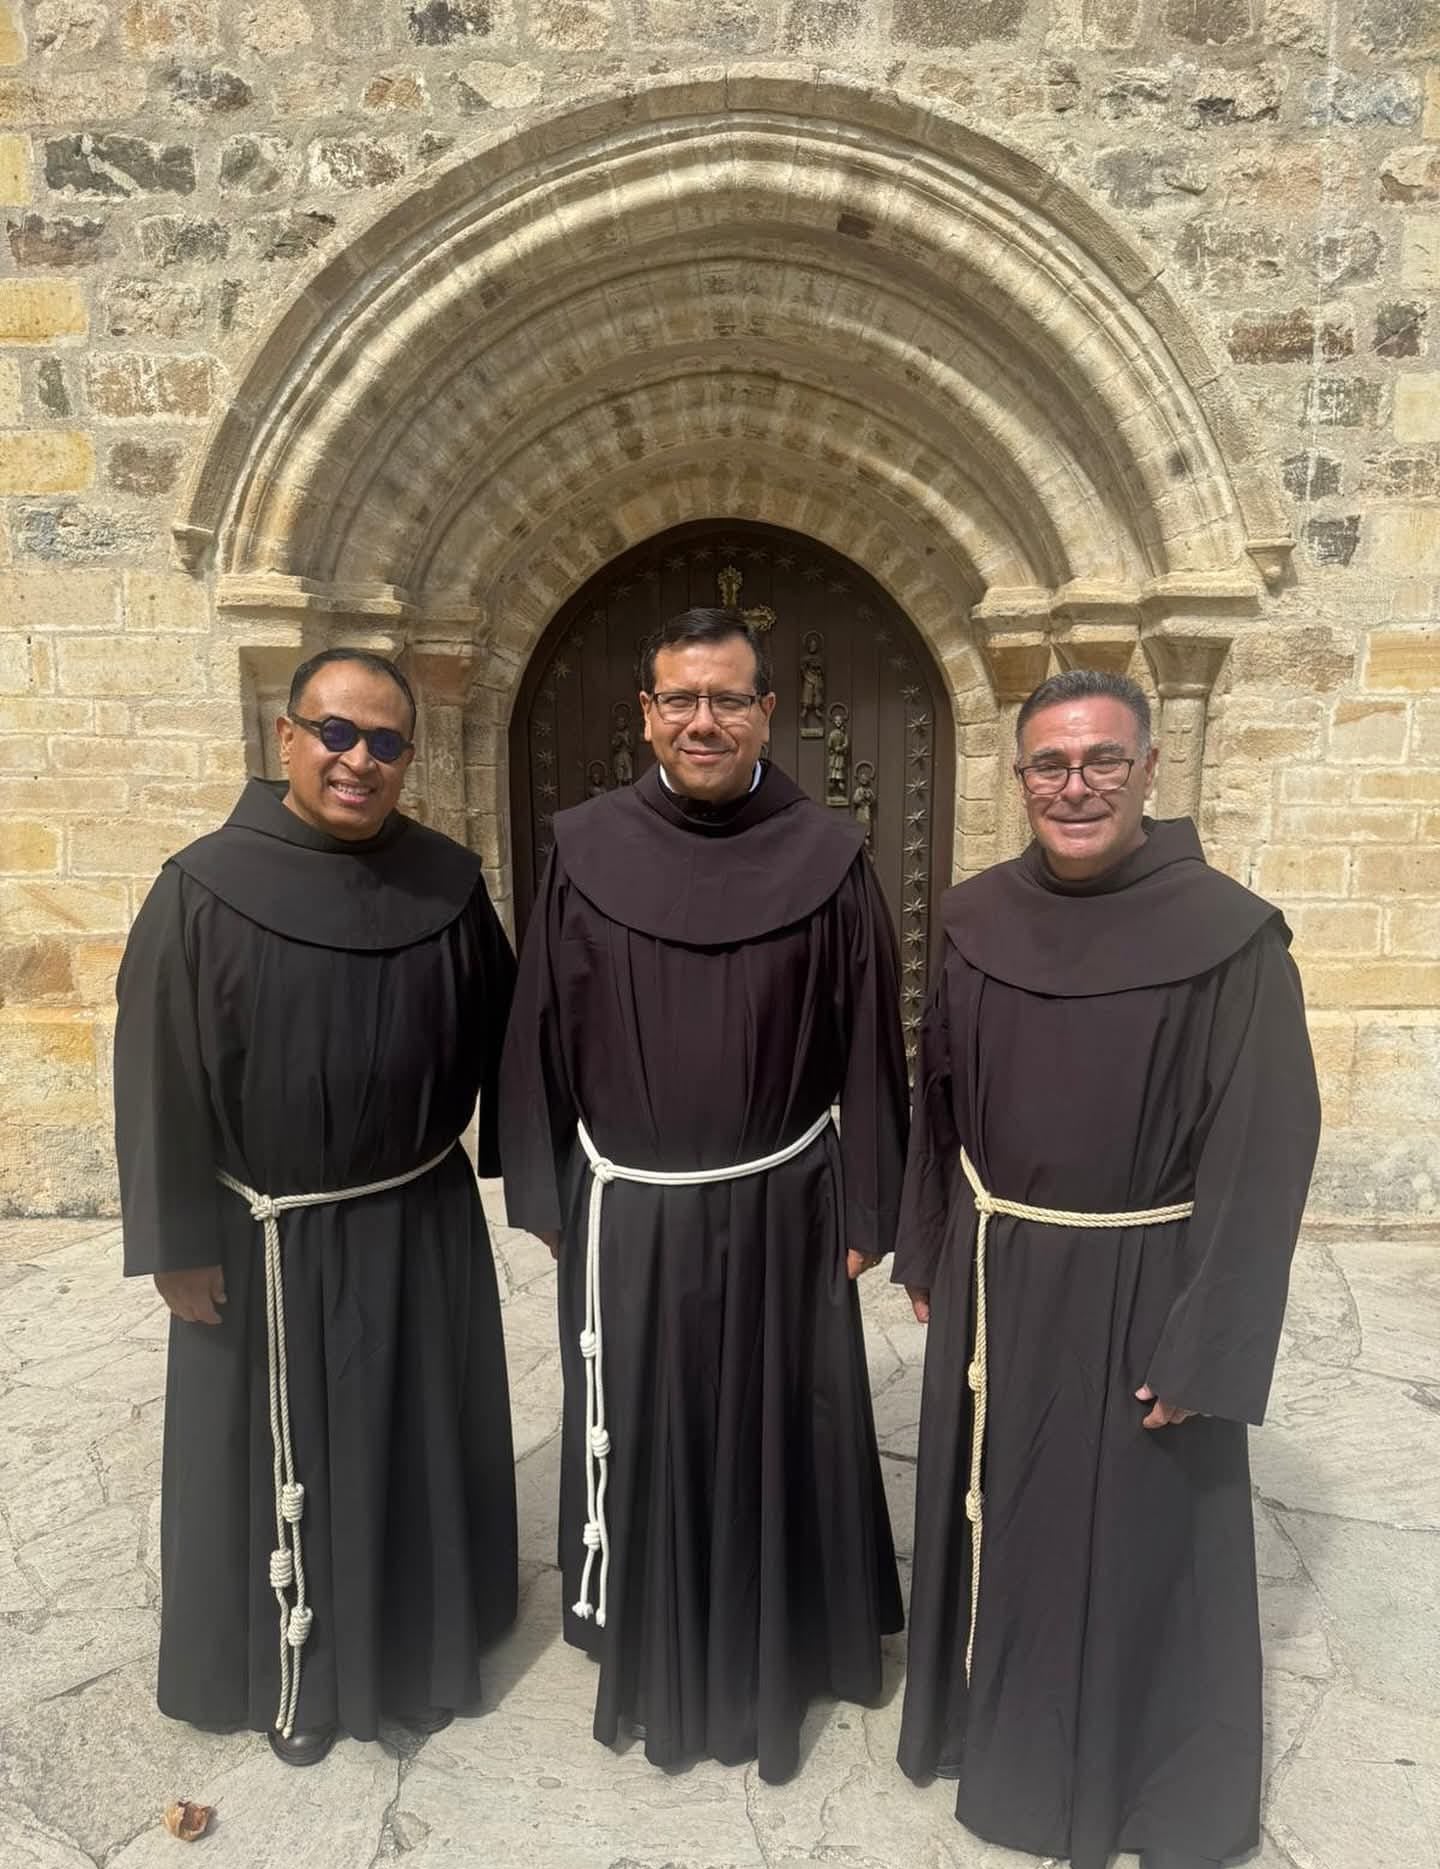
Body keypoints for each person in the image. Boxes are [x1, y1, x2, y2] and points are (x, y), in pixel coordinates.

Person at [894, 669, 1320, 1869]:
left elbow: (1263, 1153)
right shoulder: (974, 920)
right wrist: (931, 1245)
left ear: (1147, 772)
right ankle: (1004, 1749)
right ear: (1019, 776)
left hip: (1152, 1278)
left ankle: (1170, 1800)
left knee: (1152, 1550)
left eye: (1101, 762)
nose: (1074, 785)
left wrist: (1212, 1340)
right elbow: (943, 1102)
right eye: (1049, 764)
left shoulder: (1232, 935)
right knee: (1007, 1509)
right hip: (1006, 1272)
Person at [500, 606, 909, 1783]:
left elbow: (869, 1045)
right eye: (680, 698)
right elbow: (539, 1030)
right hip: (628, 1212)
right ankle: (644, 1625)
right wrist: (549, 1191)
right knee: (646, 1425)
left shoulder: (830, 855)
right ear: (646, 714)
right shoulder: (581, 849)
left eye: (728, 698)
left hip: (787, 1206)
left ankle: (788, 1637)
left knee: (787, 1420)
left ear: (769, 713)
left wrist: (867, 1210)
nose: (703, 719)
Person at [114, 646, 518, 1766]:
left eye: (386, 743)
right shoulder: (201, 885)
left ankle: (421, 1653)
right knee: (272, 1469)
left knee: (415, 1442)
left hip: (416, 1222)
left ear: (409, 759)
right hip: (262, 1239)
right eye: (336, 733)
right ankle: (279, 1668)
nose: (358, 760)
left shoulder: (447, 882)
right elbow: (154, 1077)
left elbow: (513, 1044)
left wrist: (549, 1180)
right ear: (285, 736)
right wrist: (174, 1244)